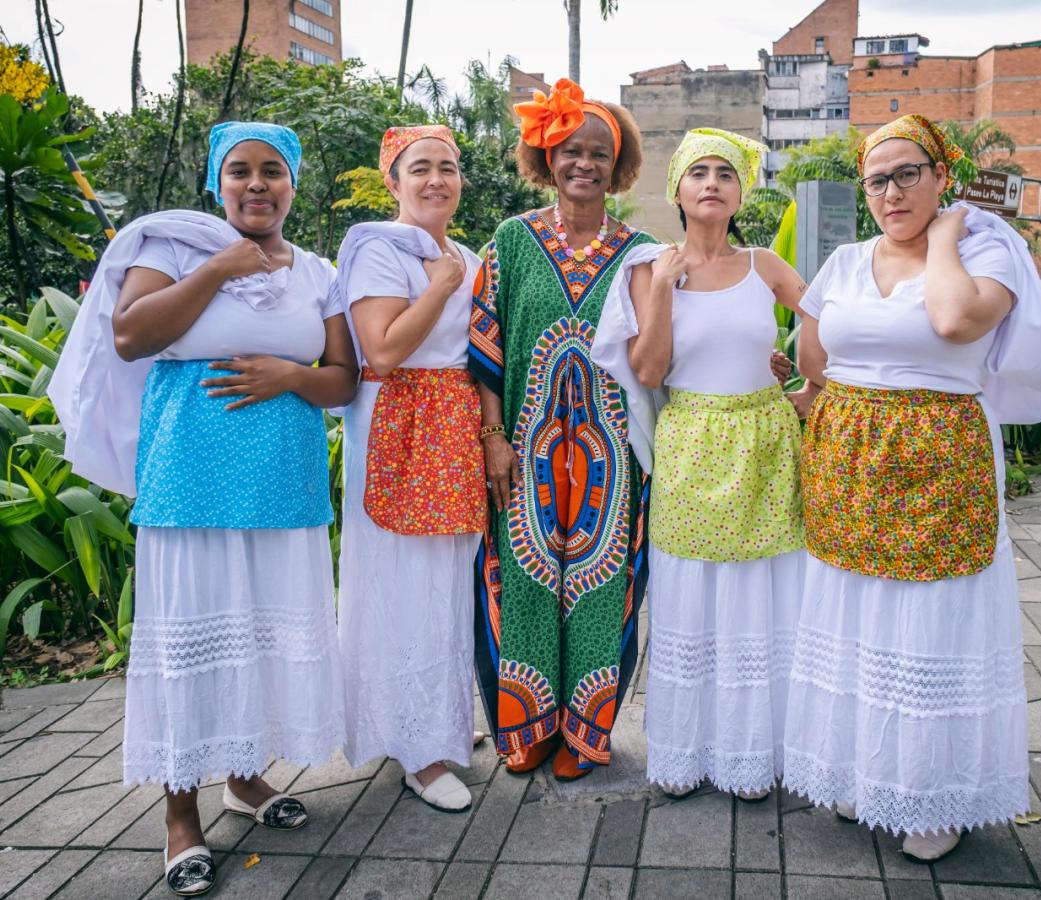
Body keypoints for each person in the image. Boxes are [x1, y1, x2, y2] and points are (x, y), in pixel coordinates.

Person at [48, 122, 357, 896]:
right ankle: (179, 814)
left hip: (282, 484)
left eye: (273, 172)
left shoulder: (317, 272)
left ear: (294, 185)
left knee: (258, 634)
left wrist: (290, 376)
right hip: (190, 479)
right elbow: (130, 335)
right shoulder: (175, 247)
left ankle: (246, 781)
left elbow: (344, 378)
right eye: (241, 172)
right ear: (218, 185)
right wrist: (220, 267)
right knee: (189, 638)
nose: (257, 185)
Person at [780, 114, 1041, 860]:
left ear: (942, 177)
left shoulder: (986, 252)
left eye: (908, 173)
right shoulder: (845, 262)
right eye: (876, 179)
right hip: (850, 457)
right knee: (854, 616)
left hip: (942, 456)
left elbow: (951, 320)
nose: (890, 192)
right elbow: (814, 359)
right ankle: (860, 770)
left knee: (931, 621)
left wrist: (943, 240)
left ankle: (929, 796)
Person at [594, 129, 819, 801]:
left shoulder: (764, 266)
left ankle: (756, 753)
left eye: (725, 172)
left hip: (766, 442)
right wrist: (664, 287)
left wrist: (813, 384)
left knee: (761, 592)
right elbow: (650, 368)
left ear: (740, 190)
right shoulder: (647, 268)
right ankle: (687, 754)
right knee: (691, 592)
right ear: (679, 192)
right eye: (699, 173)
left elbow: (831, 319)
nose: (712, 182)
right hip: (691, 441)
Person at [468, 78, 655, 781]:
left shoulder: (641, 253)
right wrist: (493, 437)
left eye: (599, 152)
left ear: (618, 163)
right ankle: (530, 728)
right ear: (546, 156)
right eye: (570, 149)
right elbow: (486, 352)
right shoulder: (511, 242)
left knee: (602, 591)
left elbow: (666, 346)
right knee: (525, 583)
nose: (584, 162)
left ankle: (585, 735)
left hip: (614, 458)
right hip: (525, 452)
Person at [335, 124, 485, 813]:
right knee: (402, 580)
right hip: (400, 420)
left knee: (446, 579)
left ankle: (437, 723)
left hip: (451, 422)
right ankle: (416, 751)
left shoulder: (464, 252)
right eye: (419, 168)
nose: (436, 180)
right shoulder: (379, 248)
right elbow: (384, 350)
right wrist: (443, 285)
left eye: (448, 168)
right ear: (392, 182)